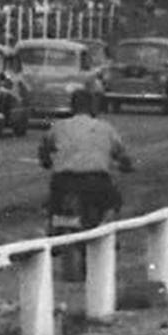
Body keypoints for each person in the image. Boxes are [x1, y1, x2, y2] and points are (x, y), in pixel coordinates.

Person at [37, 88, 133, 234]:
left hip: (63, 182)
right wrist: (126, 165)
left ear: (72, 106)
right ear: (92, 106)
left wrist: (46, 162)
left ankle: (52, 230)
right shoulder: (105, 128)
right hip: (96, 182)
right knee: (114, 203)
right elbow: (121, 154)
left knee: (52, 206)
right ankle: (107, 237)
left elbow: (44, 149)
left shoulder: (58, 127)